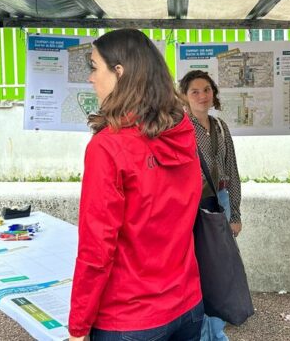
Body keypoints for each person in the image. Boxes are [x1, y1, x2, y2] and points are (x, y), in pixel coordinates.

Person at [69, 29, 204, 341]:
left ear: (120, 72)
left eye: (93, 67)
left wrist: (78, 327)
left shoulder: (108, 147)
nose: (90, 78)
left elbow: (96, 249)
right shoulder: (183, 130)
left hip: (130, 317)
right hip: (187, 303)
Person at [177, 70, 242, 341]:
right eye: (195, 91)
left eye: (206, 90)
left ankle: (216, 332)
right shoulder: (179, 128)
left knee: (220, 271)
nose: (202, 96)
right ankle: (201, 335)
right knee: (197, 271)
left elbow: (232, 170)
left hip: (221, 202)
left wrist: (235, 213)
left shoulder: (220, 127)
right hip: (191, 206)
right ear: (184, 96)